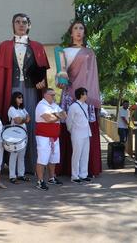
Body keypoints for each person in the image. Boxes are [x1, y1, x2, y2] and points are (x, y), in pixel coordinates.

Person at [0, 13, 50, 173]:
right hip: (12, 88)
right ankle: (12, 166)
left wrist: (42, 83)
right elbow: (1, 76)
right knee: (13, 122)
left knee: (30, 122)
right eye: (17, 22)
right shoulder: (4, 46)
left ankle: (31, 163)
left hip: (31, 90)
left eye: (24, 22)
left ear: (29, 25)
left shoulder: (38, 47)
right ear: (13, 25)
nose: (21, 24)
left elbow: (42, 74)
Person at [57, 20, 102, 177]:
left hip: (85, 97)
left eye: (81, 28)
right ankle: (66, 169)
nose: (78, 31)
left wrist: (94, 98)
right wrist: (60, 82)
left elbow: (93, 78)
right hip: (69, 95)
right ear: (71, 33)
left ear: (84, 32)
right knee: (69, 129)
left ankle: (87, 170)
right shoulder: (63, 52)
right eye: (75, 28)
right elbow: (60, 76)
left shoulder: (90, 52)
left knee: (84, 131)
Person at [35, 88, 67, 190]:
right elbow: (48, 119)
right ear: (45, 95)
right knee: (42, 159)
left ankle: (51, 177)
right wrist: (58, 116)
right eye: (52, 95)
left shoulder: (54, 105)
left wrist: (54, 116)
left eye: (54, 94)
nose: (54, 96)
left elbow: (65, 115)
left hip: (55, 137)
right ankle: (40, 181)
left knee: (53, 159)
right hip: (43, 137)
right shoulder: (41, 105)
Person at [66, 87, 92, 183]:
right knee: (76, 155)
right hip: (77, 133)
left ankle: (83, 174)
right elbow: (69, 120)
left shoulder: (85, 105)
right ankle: (75, 176)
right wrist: (71, 131)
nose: (86, 96)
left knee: (85, 154)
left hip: (86, 133)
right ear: (81, 95)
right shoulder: (74, 106)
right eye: (85, 94)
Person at [8, 92, 31, 184]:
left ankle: (21, 174)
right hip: (15, 135)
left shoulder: (22, 108)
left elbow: (28, 117)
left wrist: (23, 120)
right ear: (14, 98)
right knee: (14, 155)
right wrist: (24, 119)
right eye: (19, 97)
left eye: (22, 97)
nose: (21, 99)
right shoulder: (11, 109)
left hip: (24, 134)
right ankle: (12, 176)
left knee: (22, 155)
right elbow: (18, 121)